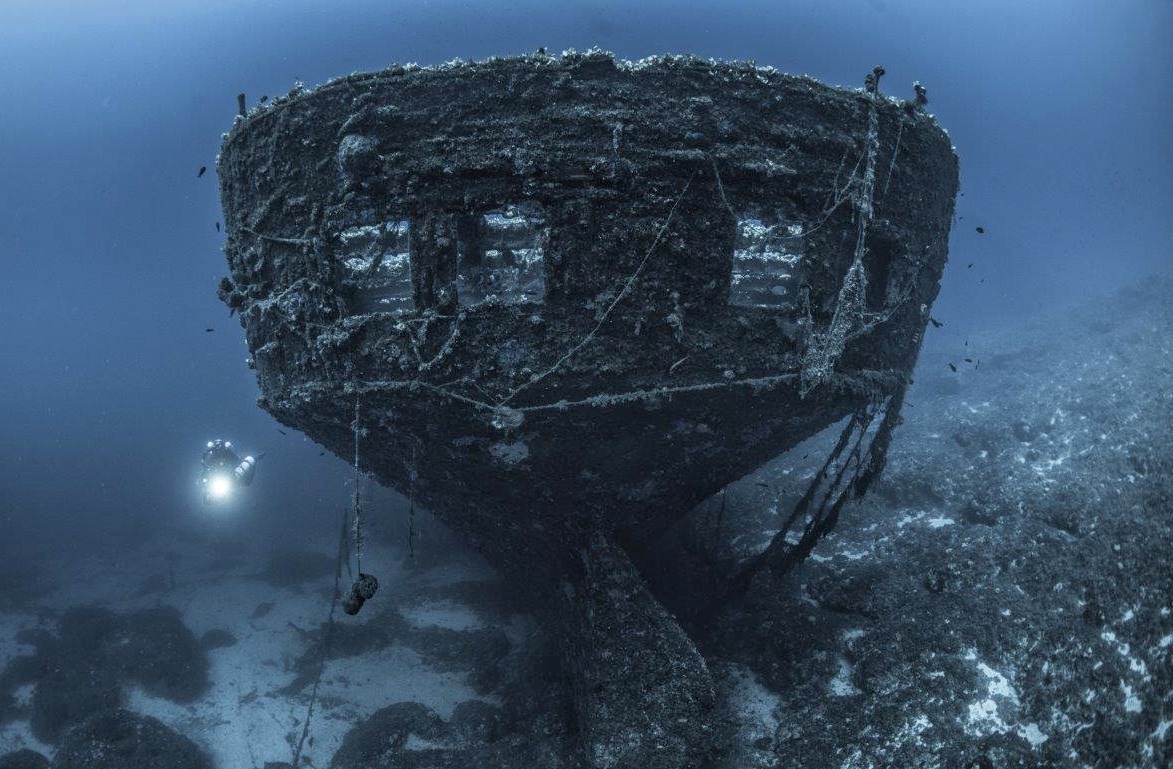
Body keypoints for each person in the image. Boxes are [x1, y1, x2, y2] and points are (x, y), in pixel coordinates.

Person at [200, 439, 257, 503]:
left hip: (228, 476)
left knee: (243, 483)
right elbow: (205, 467)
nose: (218, 449)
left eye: (220, 447)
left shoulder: (228, 453)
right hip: (217, 477)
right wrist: (205, 481)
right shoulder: (211, 455)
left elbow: (237, 460)